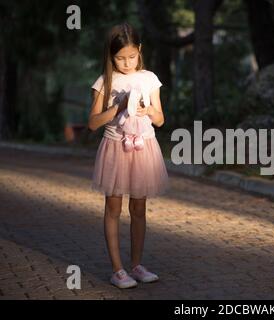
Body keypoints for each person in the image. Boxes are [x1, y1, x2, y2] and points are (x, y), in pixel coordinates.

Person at [88, 22, 169, 289]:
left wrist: (147, 110)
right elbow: (92, 123)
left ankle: (136, 264)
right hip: (115, 149)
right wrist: (117, 108)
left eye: (131, 57)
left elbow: (160, 120)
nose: (126, 63)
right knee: (113, 208)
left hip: (143, 149)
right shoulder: (105, 81)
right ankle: (117, 269)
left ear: (140, 51)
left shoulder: (149, 78)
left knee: (138, 208)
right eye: (120, 58)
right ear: (111, 56)